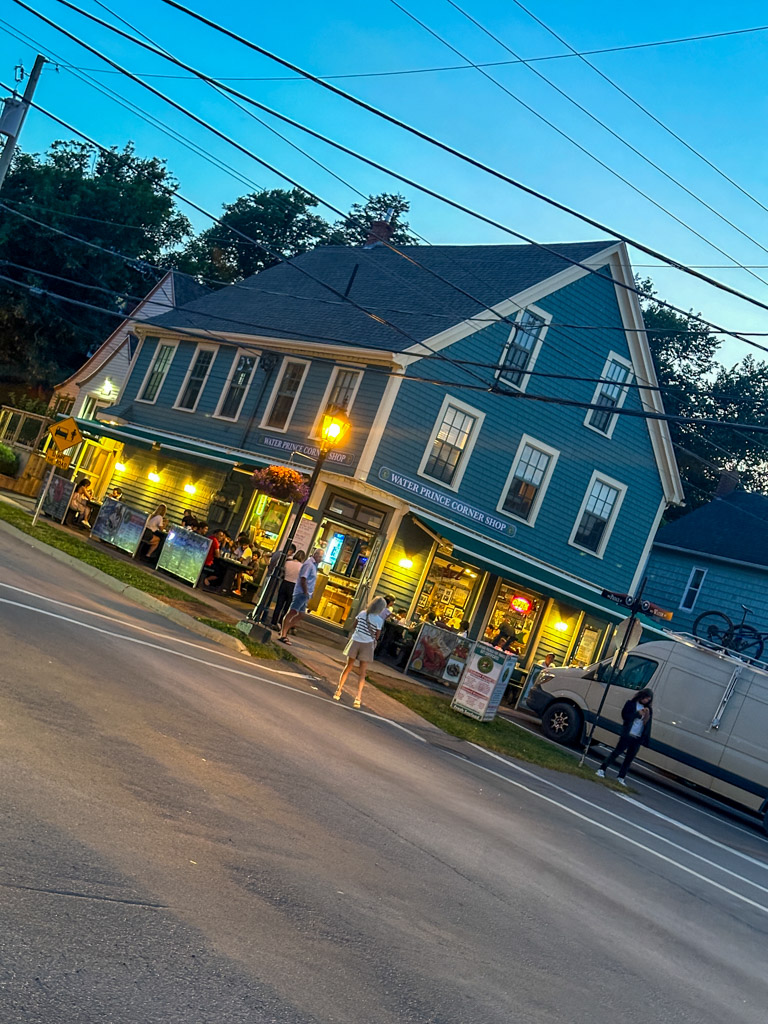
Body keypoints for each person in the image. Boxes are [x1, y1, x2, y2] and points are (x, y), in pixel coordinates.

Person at [334, 596, 387, 708]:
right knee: (362, 673)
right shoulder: (379, 620)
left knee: (348, 667)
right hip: (367, 644)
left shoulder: (363, 613)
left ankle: (338, 690)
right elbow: (376, 636)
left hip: (356, 641)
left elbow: (354, 625)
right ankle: (358, 697)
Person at [596, 689, 654, 786]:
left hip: (638, 736)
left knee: (629, 759)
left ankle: (621, 777)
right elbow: (625, 716)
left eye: (648, 700)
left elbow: (648, 725)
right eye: (646, 698)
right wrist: (637, 714)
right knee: (616, 752)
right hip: (628, 733)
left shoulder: (648, 710)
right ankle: (602, 769)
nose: (646, 701)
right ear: (641, 696)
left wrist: (645, 738)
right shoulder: (631, 704)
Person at [278, 547, 324, 644]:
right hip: (301, 593)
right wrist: (305, 591)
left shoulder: (314, 565)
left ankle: (285, 629)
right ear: (316, 555)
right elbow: (303, 578)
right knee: (292, 612)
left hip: (305, 594)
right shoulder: (309, 564)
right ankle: (283, 633)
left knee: (301, 614)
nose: (321, 559)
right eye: (321, 557)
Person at [271, 549, 305, 628]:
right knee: (287, 607)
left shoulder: (287, 562)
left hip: (284, 583)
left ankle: (273, 621)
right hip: (293, 586)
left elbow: (283, 573)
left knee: (279, 605)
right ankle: (281, 623)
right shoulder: (302, 567)